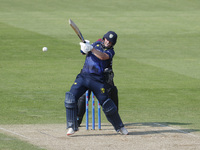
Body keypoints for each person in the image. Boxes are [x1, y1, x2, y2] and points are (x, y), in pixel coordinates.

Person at [64, 31, 128, 135]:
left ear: (113, 43)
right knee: (70, 98)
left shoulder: (110, 52)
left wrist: (91, 49)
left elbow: (102, 57)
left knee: (107, 104)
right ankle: (72, 126)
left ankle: (120, 127)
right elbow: (83, 52)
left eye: (110, 42)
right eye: (107, 39)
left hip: (97, 80)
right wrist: (84, 48)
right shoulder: (96, 44)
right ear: (104, 38)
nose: (108, 42)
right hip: (83, 76)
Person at [77, 52, 119, 126]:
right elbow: (83, 52)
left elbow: (104, 58)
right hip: (89, 75)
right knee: (83, 95)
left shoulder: (109, 51)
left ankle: (116, 120)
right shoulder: (94, 50)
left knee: (111, 91)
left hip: (103, 77)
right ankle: (77, 120)